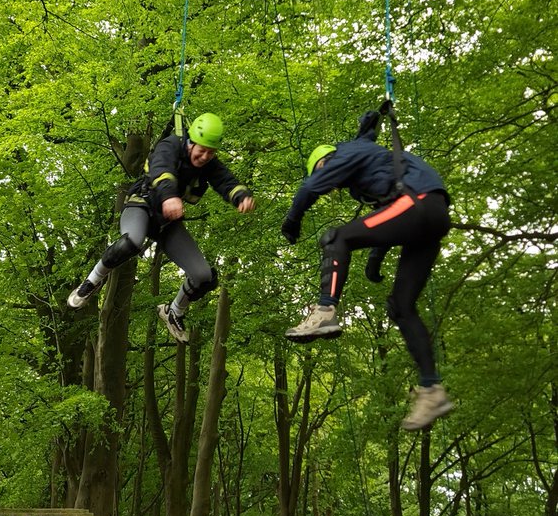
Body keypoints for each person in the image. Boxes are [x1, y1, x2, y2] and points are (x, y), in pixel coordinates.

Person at [280, 110, 454, 430]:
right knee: (400, 306)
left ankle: (324, 311)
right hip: (432, 213)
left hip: (417, 202)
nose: (332, 186)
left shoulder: (342, 155)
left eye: (324, 170)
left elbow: (310, 188)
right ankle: (432, 389)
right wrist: (376, 257)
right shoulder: (367, 154)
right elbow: (389, 212)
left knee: (337, 237)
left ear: (326, 160)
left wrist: (292, 221)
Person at [67, 113, 255, 342]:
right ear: (191, 142)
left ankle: (174, 311)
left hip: (167, 222)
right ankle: (91, 282)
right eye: (201, 150)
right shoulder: (171, 145)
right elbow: (161, 168)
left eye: (211, 152)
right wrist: (168, 196)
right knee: (131, 242)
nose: (205, 156)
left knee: (203, 275)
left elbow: (226, 181)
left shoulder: (209, 163)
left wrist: (241, 196)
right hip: (142, 205)